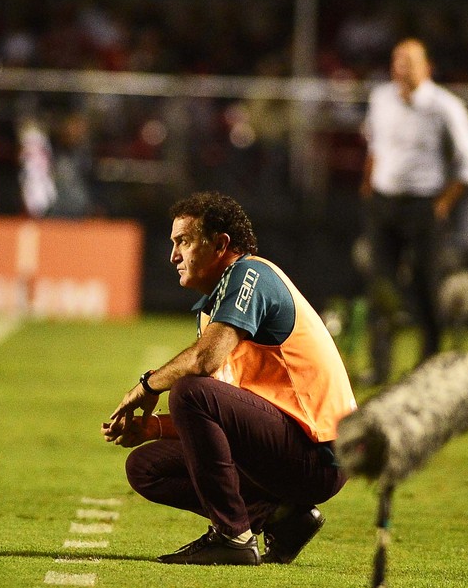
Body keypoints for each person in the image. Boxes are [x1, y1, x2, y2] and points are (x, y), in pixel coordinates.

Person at [102, 191, 358, 566]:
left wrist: (146, 386)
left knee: (189, 390)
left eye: (184, 242)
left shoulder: (249, 274)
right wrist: (154, 428)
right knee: (146, 468)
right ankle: (283, 518)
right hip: (286, 450)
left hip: (322, 454)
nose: (173, 256)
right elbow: (223, 417)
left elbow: (203, 365)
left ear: (221, 244)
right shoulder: (213, 310)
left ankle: (232, 538)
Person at [360, 38, 468, 386]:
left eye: (410, 61)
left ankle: (428, 365)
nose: (402, 67)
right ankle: (379, 366)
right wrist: (368, 186)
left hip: (423, 204)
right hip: (385, 203)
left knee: (425, 286)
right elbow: (375, 144)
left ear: (427, 67)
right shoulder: (381, 98)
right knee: (380, 287)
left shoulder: (445, 105)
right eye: (397, 59)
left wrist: (444, 203)